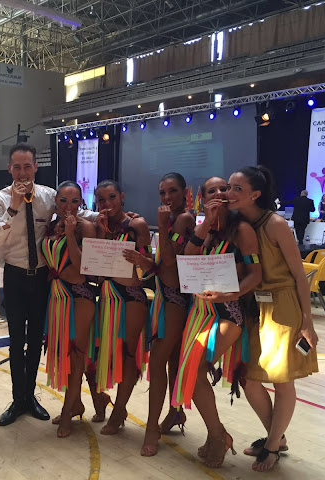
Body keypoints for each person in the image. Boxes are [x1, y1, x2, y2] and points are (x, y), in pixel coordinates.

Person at [0, 143, 97, 427]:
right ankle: (18, 399)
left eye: (28, 166)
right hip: (14, 276)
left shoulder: (49, 196)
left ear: (36, 167)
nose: (22, 172)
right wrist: (14, 206)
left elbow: (75, 213)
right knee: (16, 342)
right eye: (17, 167)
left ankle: (30, 397)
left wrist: (109, 216)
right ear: (9, 169)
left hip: (41, 278)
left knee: (37, 340)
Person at [228, 166, 318, 472]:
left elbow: (300, 276)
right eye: (228, 187)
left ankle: (271, 445)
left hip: (282, 307)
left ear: (255, 194)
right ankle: (276, 438)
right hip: (254, 307)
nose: (229, 193)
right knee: (249, 379)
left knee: (281, 380)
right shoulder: (238, 226)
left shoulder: (275, 224)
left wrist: (307, 321)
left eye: (237, 188)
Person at [171, 176, 262, 467]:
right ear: (203, 197)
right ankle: (217, 434)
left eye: (225, 188)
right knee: (192, 373)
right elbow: (188, 257)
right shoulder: (207, 229)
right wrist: (207, 223)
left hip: (228, 312)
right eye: (213, 190)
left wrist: (229, 294)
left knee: (197, 370)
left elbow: (255, 274)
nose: (220, 193)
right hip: (199, 311)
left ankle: (218, 435)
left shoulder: (241, 230)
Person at [141, 172, 195, 456]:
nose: (166, 197)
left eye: (172, 191)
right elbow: (162, 264)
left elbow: (170, 263)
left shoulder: (183, 219)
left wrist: (161, 226)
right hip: (165, 296)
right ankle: (175, 412)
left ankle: (152, 428)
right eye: (162, 192)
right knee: (171, 359)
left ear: (185, 192)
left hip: (175, 299)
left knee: (158, 360)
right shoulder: (174, 219)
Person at [42, 181, 99, 438]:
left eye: (74, 201)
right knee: (62, 353)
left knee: (76, 356)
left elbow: (82, 265)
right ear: (56, 202)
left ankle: (67, 411)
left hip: (79, 296)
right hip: (57, 296)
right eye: (63, 200)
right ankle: (75, 404)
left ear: (81, 203)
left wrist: (69, 234)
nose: (68, 206)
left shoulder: (85, 227)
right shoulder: (51, 225)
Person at [95, 180, 151, 436]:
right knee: (105, 353)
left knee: (129, 355)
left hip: (131, 297)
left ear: (122, 197)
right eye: (102, 199)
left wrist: (141, 259)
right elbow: (96, 262)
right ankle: (107, 402)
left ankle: (119, 410)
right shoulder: (101, 224)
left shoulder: (137, 224)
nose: (107, 203)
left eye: (112, 197)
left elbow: (150, 266)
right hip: (107, 298)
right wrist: (101, 231)